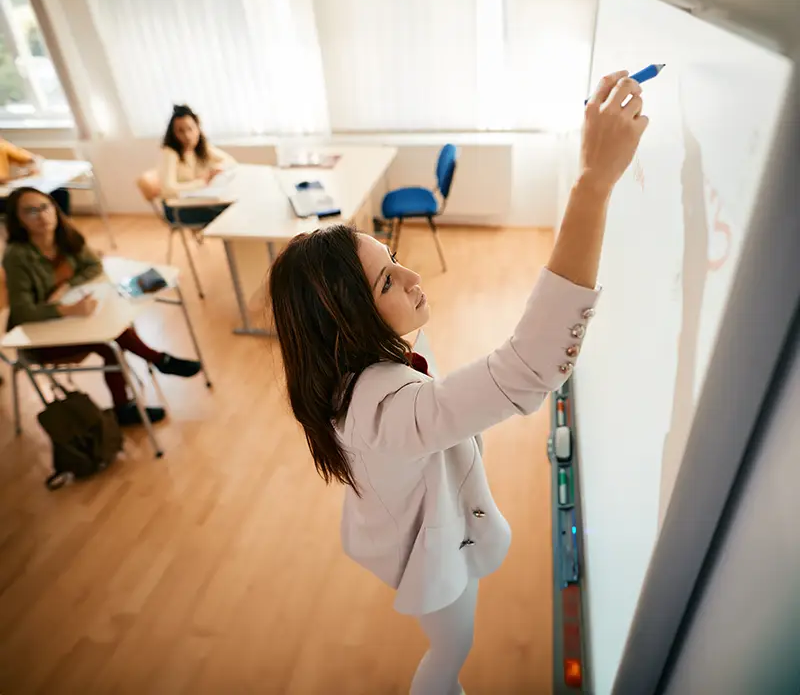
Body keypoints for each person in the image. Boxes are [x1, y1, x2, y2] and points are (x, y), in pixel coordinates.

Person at [268, 70, 649, 695]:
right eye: (388, 282)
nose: (414, 276)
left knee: (455, 638)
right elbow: (527, 371)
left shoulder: (356, 364)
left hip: (421, 523)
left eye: (393, 260)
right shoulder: (384, 410)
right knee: (453, 647)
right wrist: (593, 185)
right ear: (344, 326)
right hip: (426, 554)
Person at [3, 187, 204, 427]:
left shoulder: (65, 235)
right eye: (30, 211)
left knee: (118, 327)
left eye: (45, 207)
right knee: (110, 346)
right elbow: (23, 311)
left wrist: (67, 286)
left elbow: (94, 266)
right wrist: (67, 310)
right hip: (40, 336)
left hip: (72, 321)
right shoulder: (17, 256)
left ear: (54, 208)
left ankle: (157, 366)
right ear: (18, 220)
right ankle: (147, 377)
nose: (42, 216)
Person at [159, 105, 237, 228]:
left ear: (198, 128)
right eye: (180, 131)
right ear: (173, 134)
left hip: (196, 200)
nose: (187, 135)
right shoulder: (170, 153)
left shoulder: (200, 148)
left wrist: (215, 169)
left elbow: (230, 162)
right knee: (229, 213)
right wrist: (202, 181)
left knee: (232, 206)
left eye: (190, 129)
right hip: (177, 209)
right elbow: (168, 189)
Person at [0, 136, 70, 214]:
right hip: (3, 195)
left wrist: (32, 168)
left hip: (6, 189)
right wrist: (24, 177)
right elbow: (2, 180)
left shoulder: (2, 145)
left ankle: (61, 225)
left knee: (60, 191)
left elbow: (34, 159)